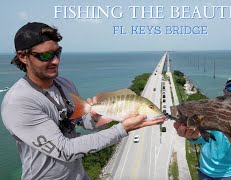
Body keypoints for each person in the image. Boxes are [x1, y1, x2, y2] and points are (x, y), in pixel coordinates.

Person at [1, 22, 165, 180]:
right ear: (23, 57)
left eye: (58, 52)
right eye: (46, 55)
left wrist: (94, 116)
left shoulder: (64, 84)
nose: (56, 61)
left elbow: (84, 123)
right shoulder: (19, 103)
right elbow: (65, 150)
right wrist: (122, 129)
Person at [173, 70, 231, 180]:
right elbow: (201, 137)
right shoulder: (211, 108)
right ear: (224, 90)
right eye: (230, 88)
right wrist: (192, 135)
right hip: (206, 172)